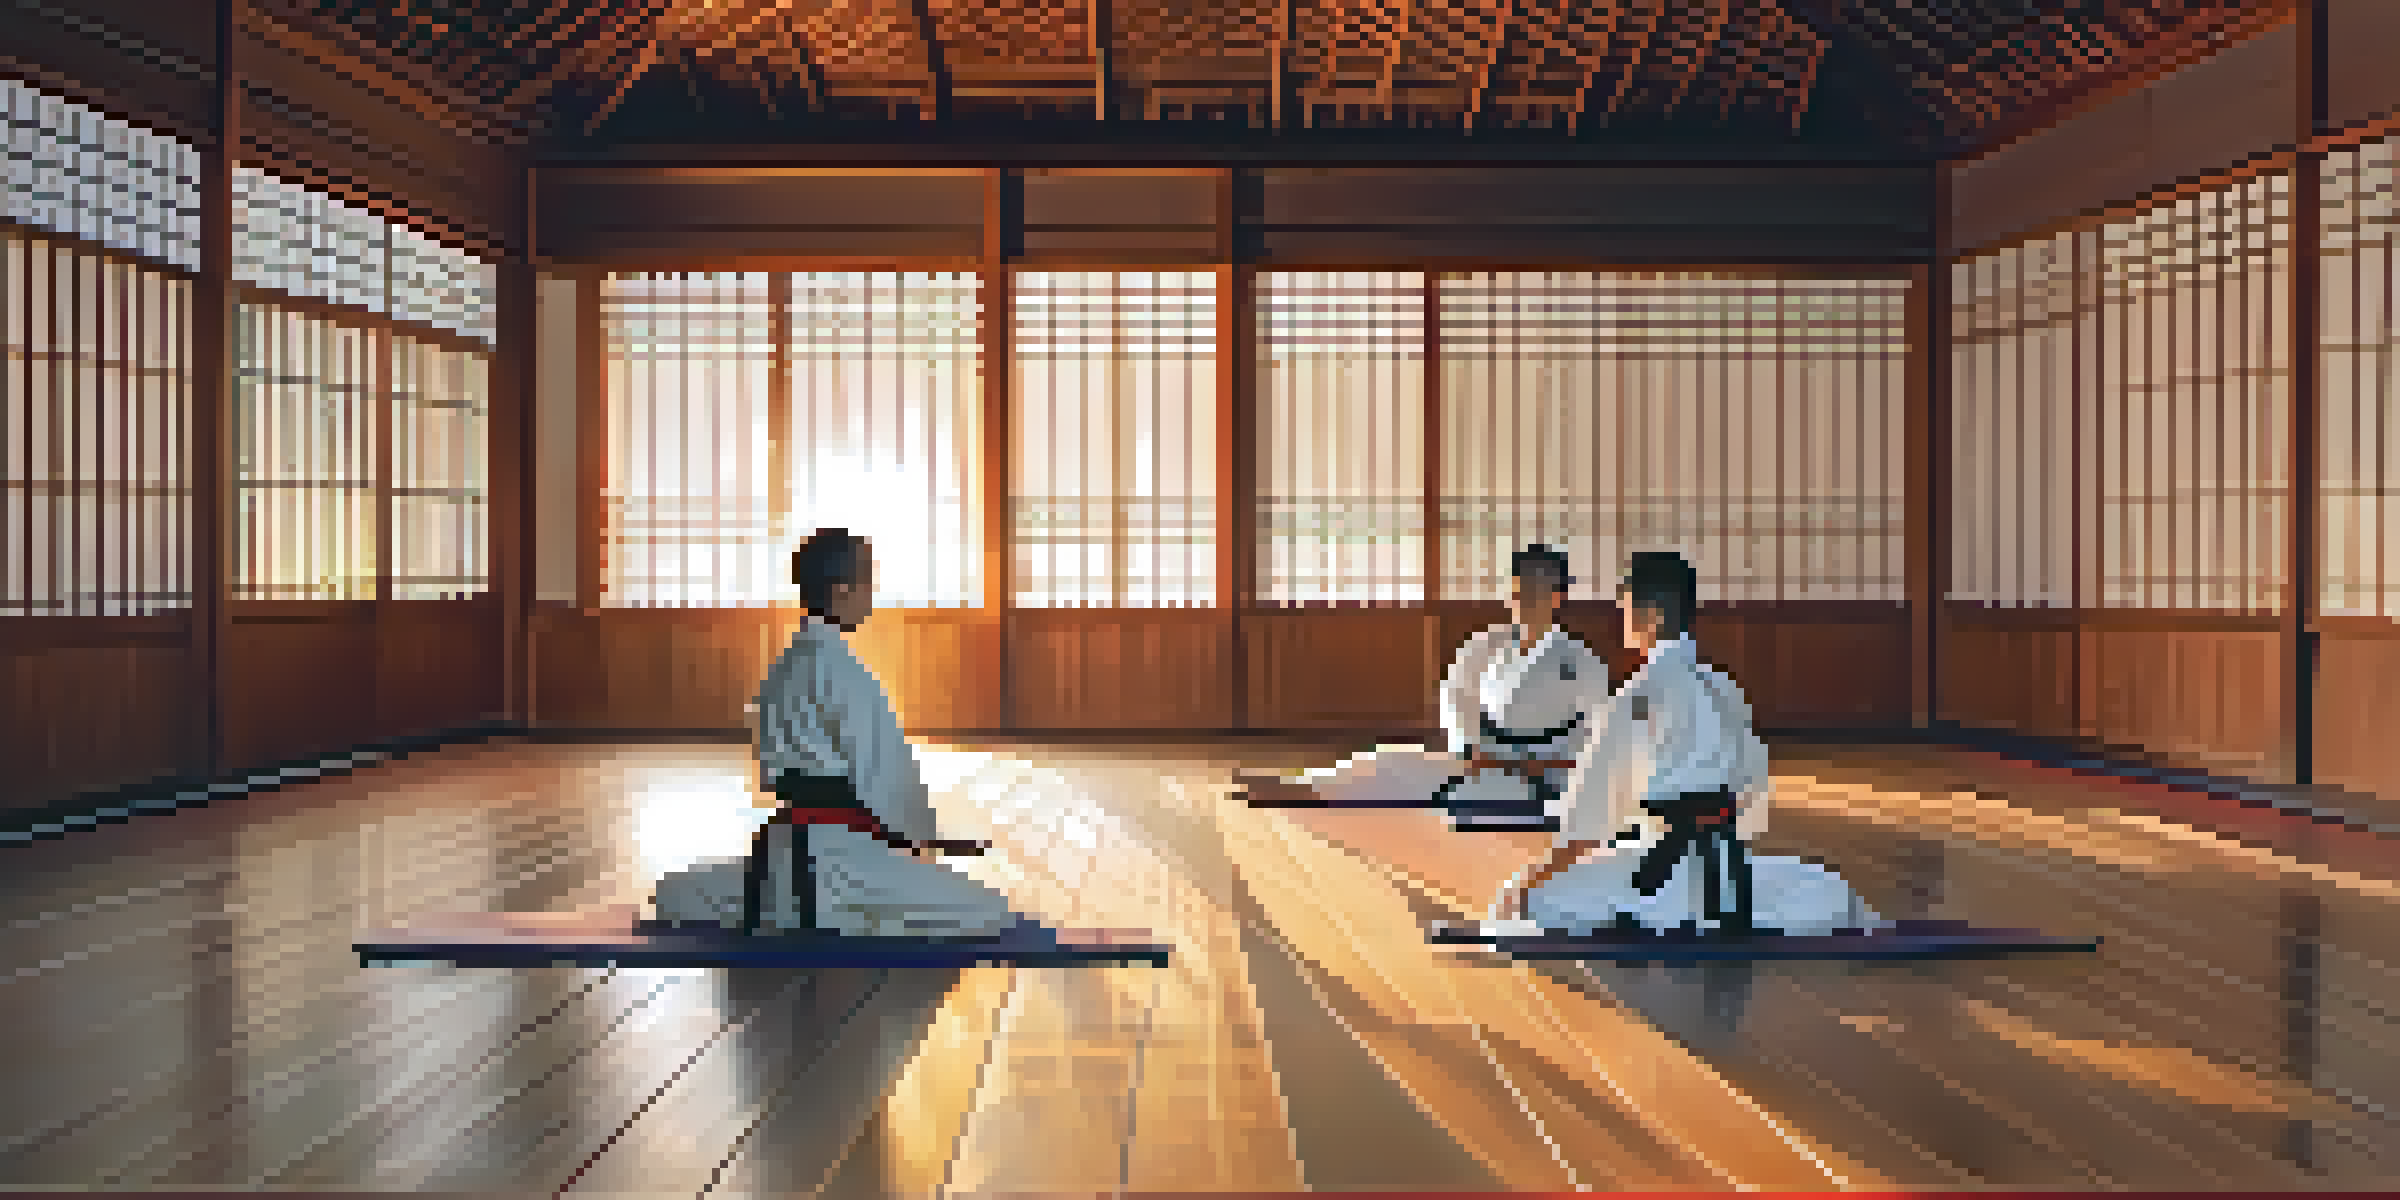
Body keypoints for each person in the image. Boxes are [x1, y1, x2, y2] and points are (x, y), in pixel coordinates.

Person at [649, 529, 1023, 938]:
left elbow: (770, 775)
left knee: (676, 894)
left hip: (784, 852)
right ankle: (850, 913)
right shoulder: (847, 673)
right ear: (843, 590)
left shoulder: (782, 669)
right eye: (868, 583)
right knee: (992, 910)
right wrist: (930, 840)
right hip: (847, 856)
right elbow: (889, 778)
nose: (872, 595)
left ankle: (803, 908)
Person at [1489, 551, 1883, 936]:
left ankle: (1665, 906)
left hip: (1659, 864)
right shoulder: (1724, 686)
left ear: (1651, 616)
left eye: (1625, 610)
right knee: (1818, 891)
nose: (1621, 621)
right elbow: (1752, 789)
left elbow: (1589, 817)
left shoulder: (1641, 691)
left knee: (1533, 900)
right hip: (1725, 860)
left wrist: (1533, 878)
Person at [1238, 544, 1613, 827]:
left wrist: (1532, 765)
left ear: (1557, 597)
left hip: (1534, 783)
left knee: (1410, 783)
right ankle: (1300, 783)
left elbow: (1595, 742)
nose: (1522, 603)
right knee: (1393, 759)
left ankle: (1305, 792)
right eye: (1517, 593)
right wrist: (1469, 747)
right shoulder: (1488, 644)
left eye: (1534, 593)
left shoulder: (1580, 662)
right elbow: (1457, 696)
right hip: (1478, 761)